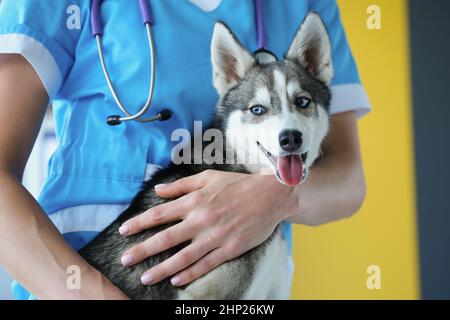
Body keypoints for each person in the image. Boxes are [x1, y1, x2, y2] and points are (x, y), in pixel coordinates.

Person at [0, 0, 370, 299]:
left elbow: (347, 180)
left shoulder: (303, 7)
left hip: (240, 285)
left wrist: (276, 197)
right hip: (77, 277)